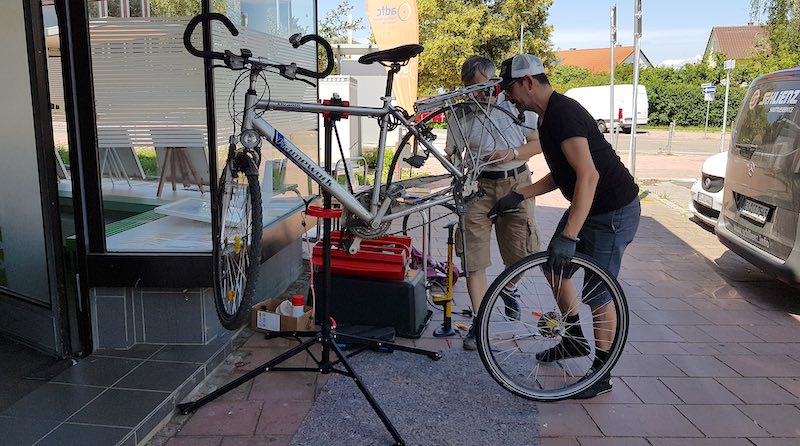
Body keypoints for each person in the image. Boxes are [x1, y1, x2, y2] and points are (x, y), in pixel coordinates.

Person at [489, 54, 641, 399]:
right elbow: (565, 172)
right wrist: (521, 194)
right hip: (589, 206)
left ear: (528, 82)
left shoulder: (564, 114)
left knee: (599, 294)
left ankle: (601, 373)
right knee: (555, 270)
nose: (508, 97)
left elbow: (588, 175)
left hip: (612, 211)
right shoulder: (546, 117)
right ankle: (572, 338)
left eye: (510, 88)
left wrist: (569, 235)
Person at [444, 56, 542, 351]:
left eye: (486, 85)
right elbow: (452, 155)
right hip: (477, 187)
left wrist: (511, 153)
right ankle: (480, 319)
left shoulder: (515, 107)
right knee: (473, 259)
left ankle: (509, 288)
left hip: (516, 183)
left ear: (495, 81)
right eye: (473, 88)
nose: (481, 93)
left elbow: (540, 142)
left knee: (523, 253)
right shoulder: (458, 117)